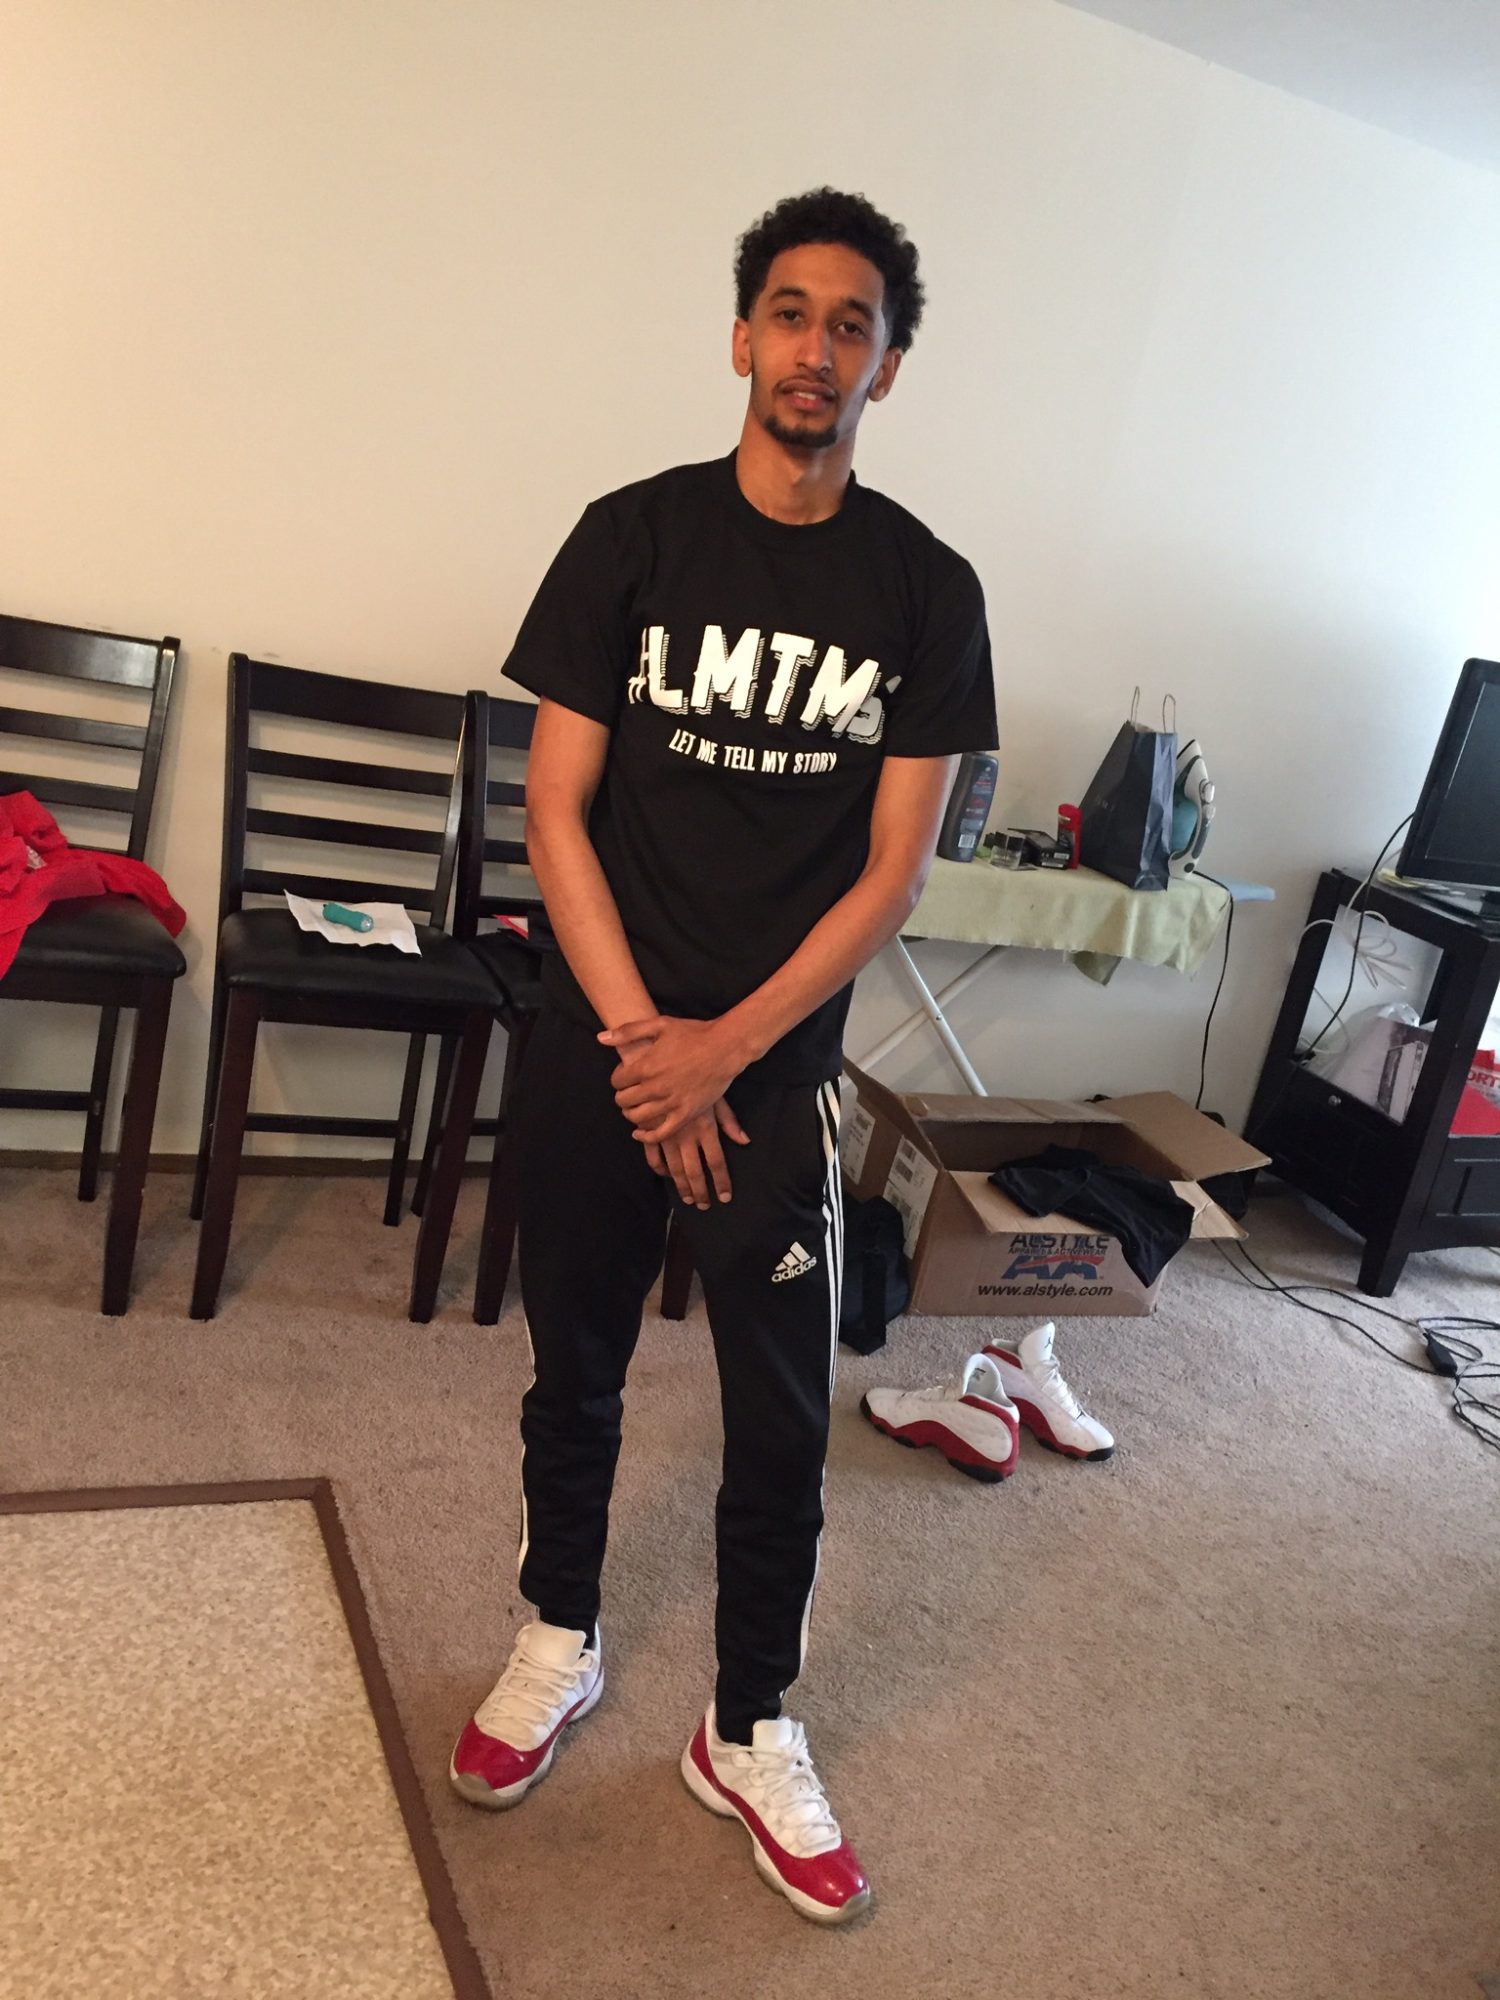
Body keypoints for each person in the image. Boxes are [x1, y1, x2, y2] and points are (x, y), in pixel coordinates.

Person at [449, 187, 998, 1926]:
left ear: (886, 367)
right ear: (742, 337)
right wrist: (645, 1049)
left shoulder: (928, 590)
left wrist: (725, 1056)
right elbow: (554, 807)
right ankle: (559, 1634)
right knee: (577, 1368)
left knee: (778, 1417)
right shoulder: (630, 537)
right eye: (791, 312)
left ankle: (748, 1723)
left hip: (771, 1070)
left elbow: (892, 873)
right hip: (604, 1042)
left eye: (854, 324)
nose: (817, 347)